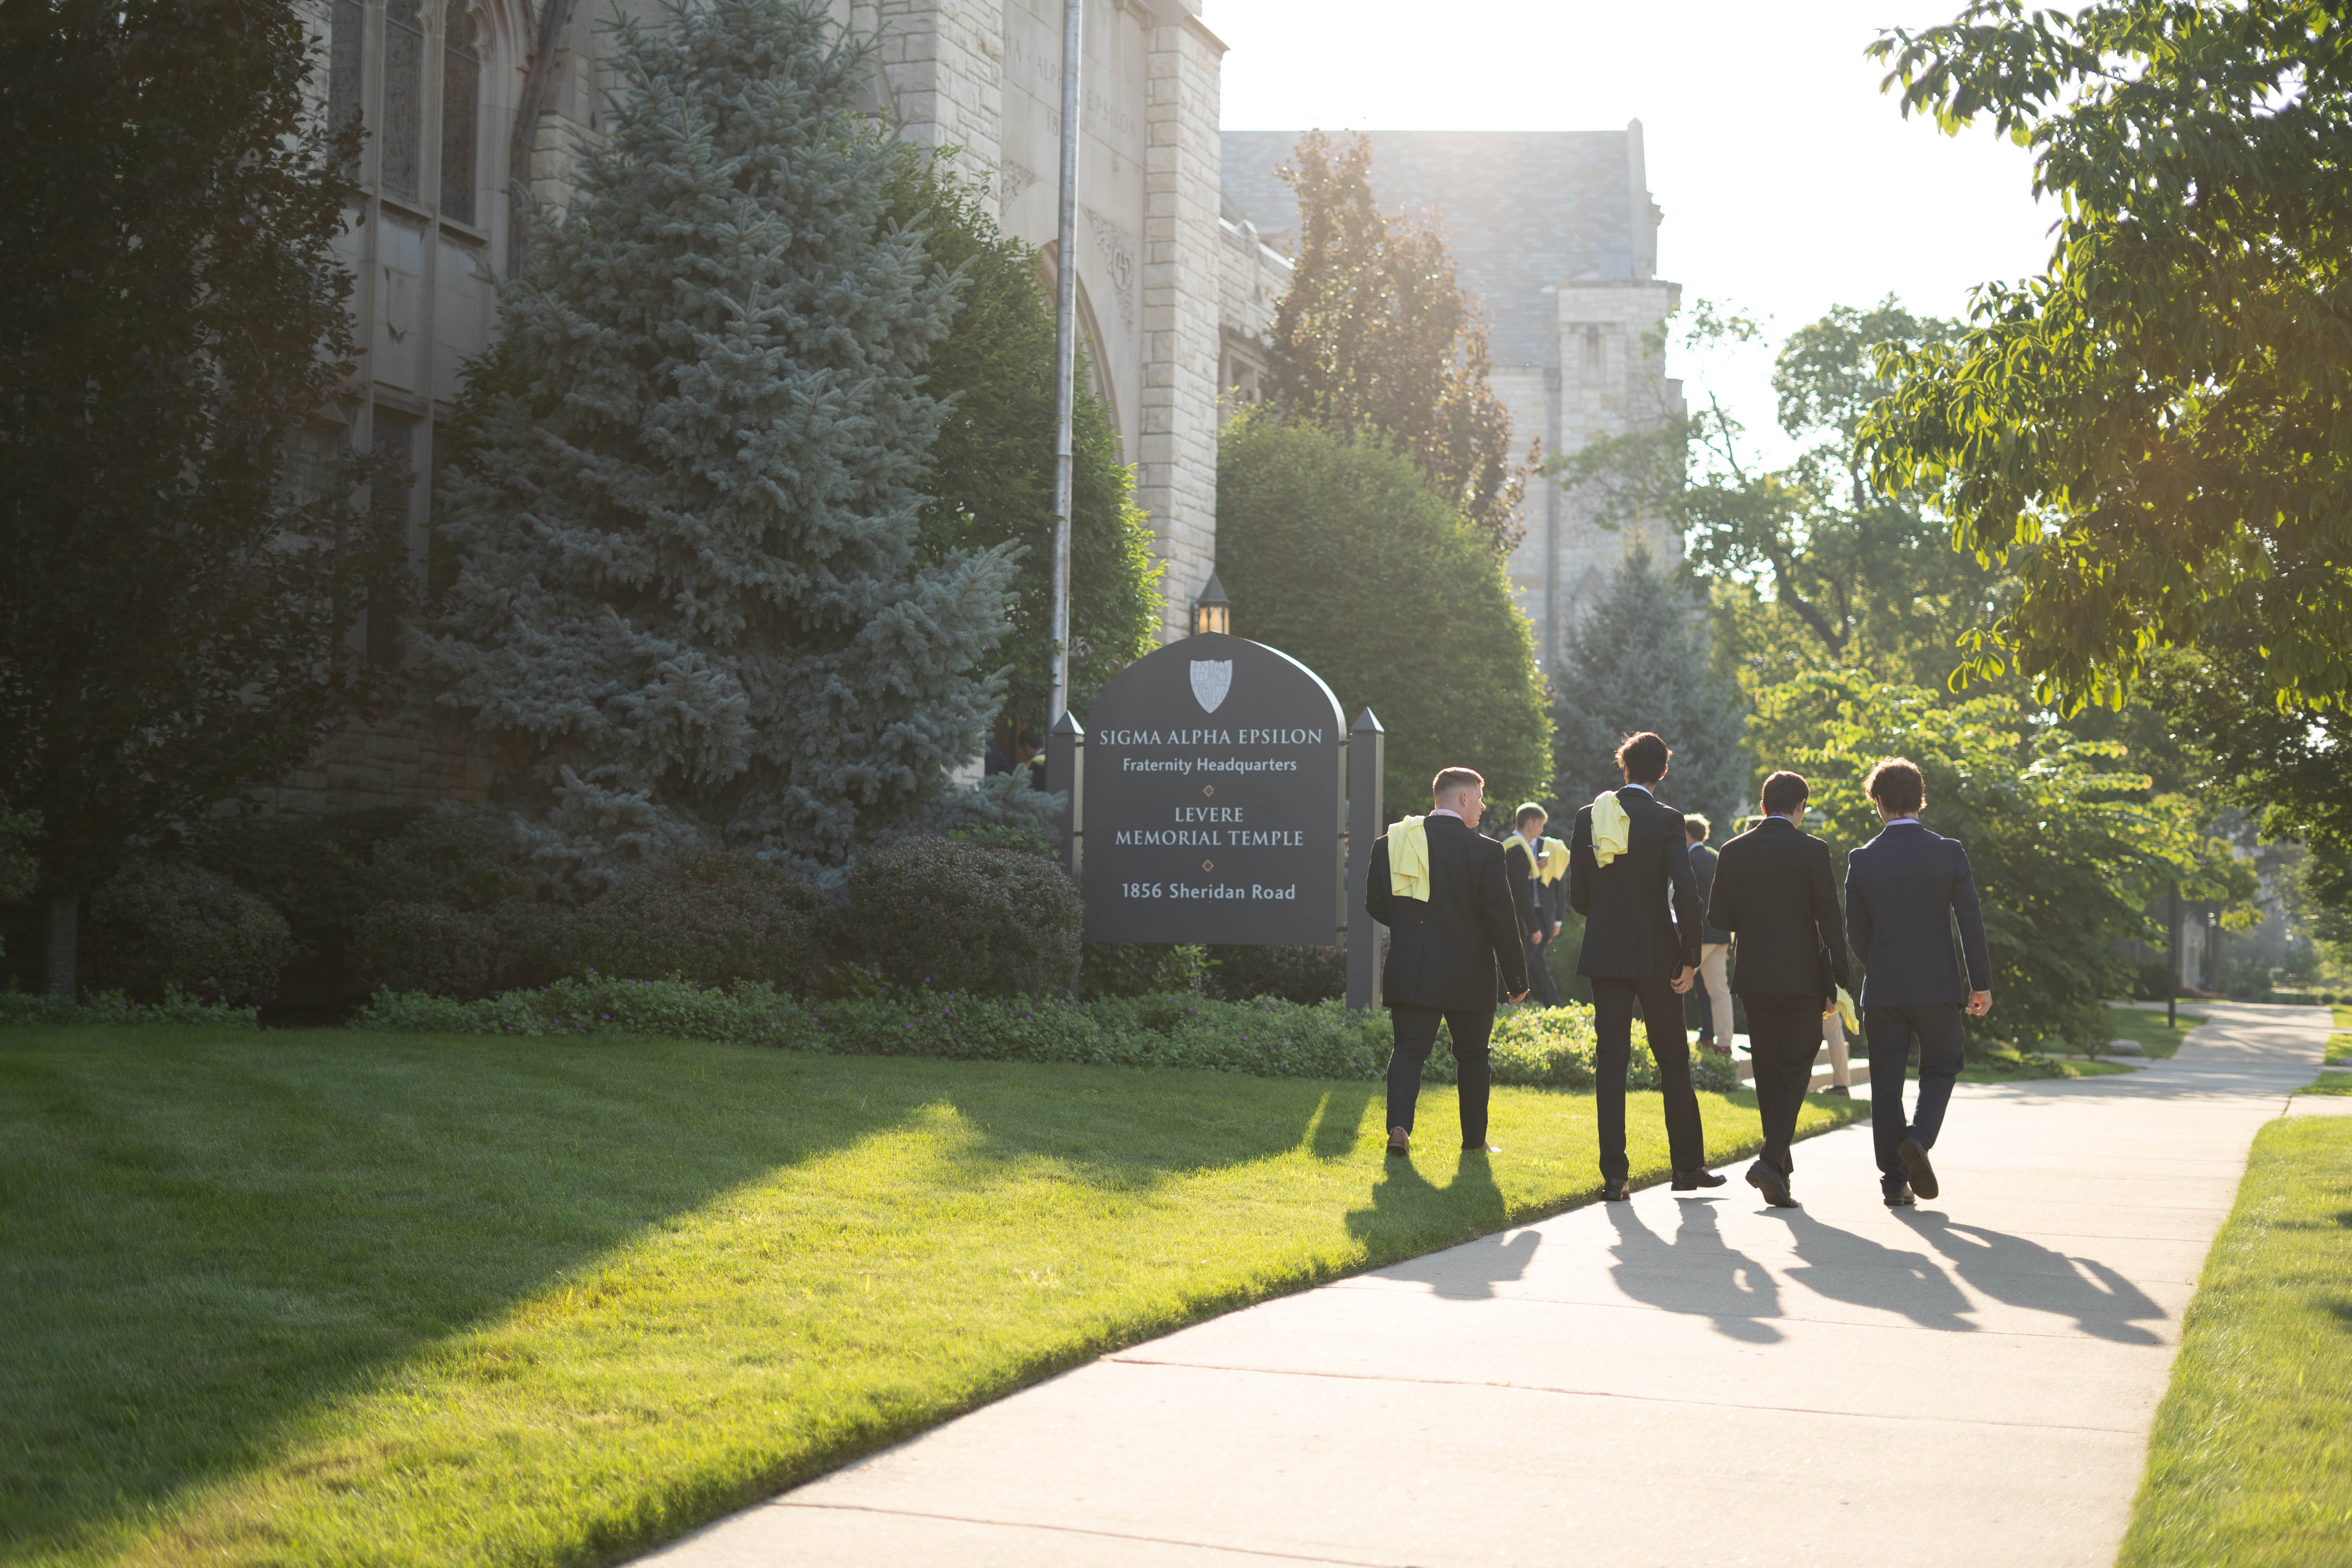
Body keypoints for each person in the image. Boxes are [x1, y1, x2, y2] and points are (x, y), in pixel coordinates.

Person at [1567, 732, 1717, 1200]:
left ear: (1624, 767)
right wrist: (1690, 958)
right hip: (1657, 954)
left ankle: (1615, 1176)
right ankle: (1687, 1167)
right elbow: (1688, 896)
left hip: (1605, 953)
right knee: (1673, 1059)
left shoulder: (1589, 817)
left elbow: (1578, 896)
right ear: (1664, 772)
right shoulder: (1668, 819)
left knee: (1611, 1061)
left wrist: (1607, 915)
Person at [1845, 757, 1994, 1207]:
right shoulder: (1948, 852)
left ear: (1878, 802)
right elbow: (1970, 921)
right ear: (1920, 799)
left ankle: (1894, 1182)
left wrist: (1881, 965)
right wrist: (1981, 983)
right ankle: (1919, 1138)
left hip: (1884, 990)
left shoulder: (1862, 859)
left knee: (1886, 1082)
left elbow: (1856, 934)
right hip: (1937, 987)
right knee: (1942, 1066)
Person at [1704, 770, 1855, 1209]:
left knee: (1769, 1071)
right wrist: (1841, 978)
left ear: (1763, 805)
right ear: (1800, 806)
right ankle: (1771, 1161)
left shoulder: (1733, 850)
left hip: (1754, 976)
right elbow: (1830, 918)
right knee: (1796, 1068)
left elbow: (1719, 916)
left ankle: (1779, 1172)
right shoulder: (1813, 850)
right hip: (1802, 977)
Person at [1365, 767, 1532, 1157]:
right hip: (1469, 973)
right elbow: (1502, 921)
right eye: (1480, 798)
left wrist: (1411, 930)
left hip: (1412, 966)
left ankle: (1399, 1131)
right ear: (1463, 798)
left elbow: (1375, 904)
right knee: (1473, 1056)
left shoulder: (1390, 843)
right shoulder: (1487, 851)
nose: (1483, 807)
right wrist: (1517, 978)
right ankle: (1474, 1142)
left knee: (1409, 1049)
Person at [1683, 815, 1734, 1057]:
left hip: (1699, 934)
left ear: (1687, 834)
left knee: (1675, 982)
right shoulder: (1715, 858)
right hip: (1721, 932)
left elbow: (1681, 898)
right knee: (1719, 990)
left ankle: (1670, 1039)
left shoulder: (1689, 860)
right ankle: (1724, 1043)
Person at [1503, 803, 1563, 1006]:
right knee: (1518, 962)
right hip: (1517, 917)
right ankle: (1507, 1003)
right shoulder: (1518, 849)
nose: (1542, 830)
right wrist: (1534, 928)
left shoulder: (1515, 847)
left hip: (1516, 915)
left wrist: (1531, 871)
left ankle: (1515, 1003)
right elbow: (1520, 895)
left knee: (1526, 962)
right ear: (1530, 823)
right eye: (1540, 825)